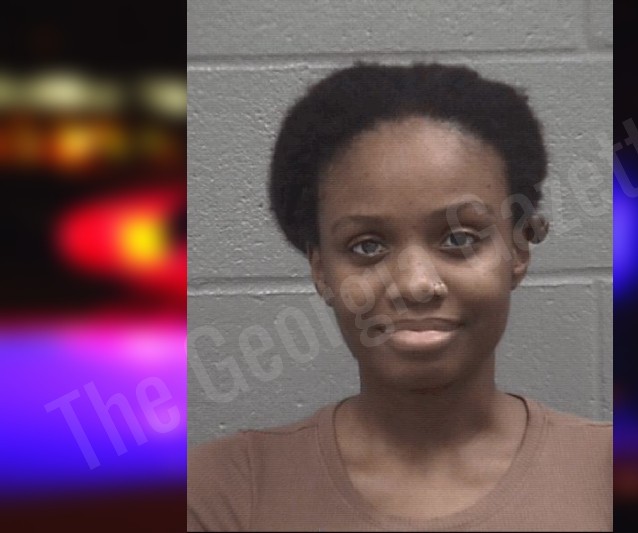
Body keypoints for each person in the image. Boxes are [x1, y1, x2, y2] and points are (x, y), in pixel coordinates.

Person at [188, 62, 612, 531]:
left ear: (518, 250)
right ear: (321, 269)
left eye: (459, 239)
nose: (415, 285)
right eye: (367, 246)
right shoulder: (225, 493)